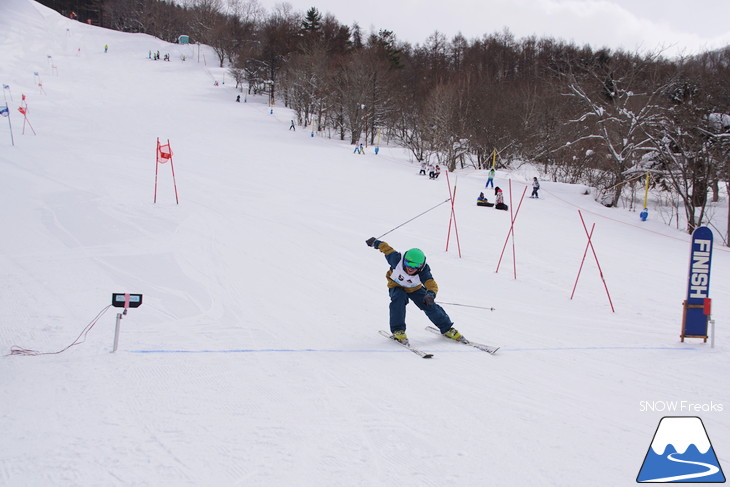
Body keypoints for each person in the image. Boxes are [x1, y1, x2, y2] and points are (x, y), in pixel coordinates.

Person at [365, 238, 462, 345]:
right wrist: (375, 242)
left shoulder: (424, 270)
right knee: (398, 300)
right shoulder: (396, 259)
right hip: (396, 285)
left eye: (415, 266)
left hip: (414, 288)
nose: (411, 268)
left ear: (420, 266)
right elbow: (386, 248)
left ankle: (447, 328)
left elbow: (431, 283)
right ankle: (398, 330)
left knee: (429, 305)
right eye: (408, 264)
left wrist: (430, 294)